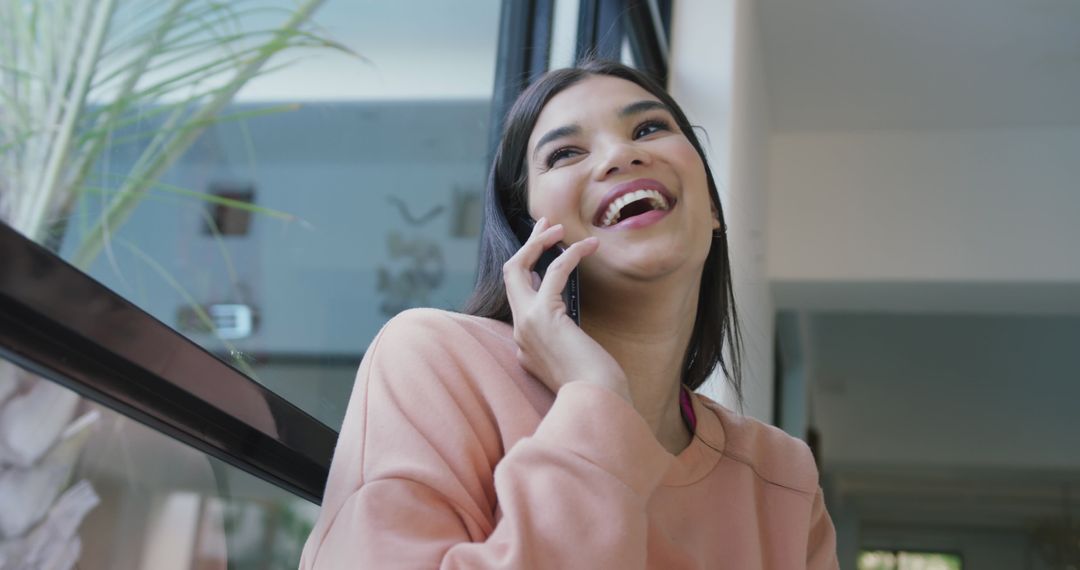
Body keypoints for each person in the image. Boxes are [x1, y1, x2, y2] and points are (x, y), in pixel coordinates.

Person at [299, 59, 838, 569]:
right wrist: (597, 397)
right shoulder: (432, 359)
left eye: (649, 129)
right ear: (526, 229)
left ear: (714, 209)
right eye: (564, 154)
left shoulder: (781, 476)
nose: (618, 156)